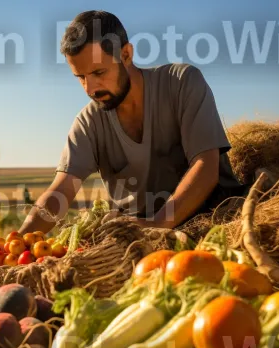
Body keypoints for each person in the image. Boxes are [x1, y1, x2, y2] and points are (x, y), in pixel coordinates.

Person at [18, 10, 245, 235]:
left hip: (217, 224)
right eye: (81, 77)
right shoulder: (88, 123)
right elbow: (60, 191)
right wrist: (17, 243)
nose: (90, 89)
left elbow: (206, 167)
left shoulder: (182, 83)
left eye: (98, 72)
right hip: (137, 241)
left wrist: (157, 225)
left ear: (126, 55)